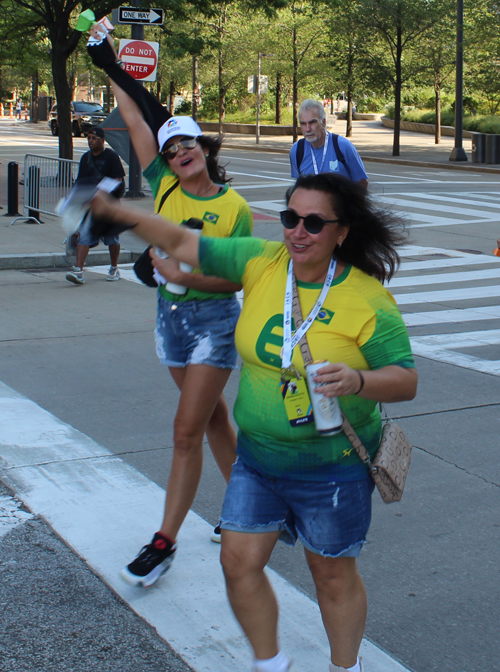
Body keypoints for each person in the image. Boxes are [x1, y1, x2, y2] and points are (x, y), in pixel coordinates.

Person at [90, 171, 418, 672]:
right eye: (290, 218)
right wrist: (118, 214)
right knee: (237, 562)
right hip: (258, 460)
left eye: (314, 222)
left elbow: (406, 379)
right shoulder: (263, 262)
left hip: (333, 468)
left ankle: (344, 667)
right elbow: (181, 240)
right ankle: (270, 664)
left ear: (342, 231)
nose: (298, 231)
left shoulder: (368, 298)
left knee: (330, 575)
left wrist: (357, 380)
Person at [87, 28, 253, 588]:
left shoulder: (234, 209)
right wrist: (103, 58)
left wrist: (186, 273)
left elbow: (235, 276)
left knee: (186, 430)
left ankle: (164, 541)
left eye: (188, 145)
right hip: (170, 323)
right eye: (171, 148)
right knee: (212, 418)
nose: (179, 153)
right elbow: (135, 116)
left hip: (213, 325)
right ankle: (249, 509)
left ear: (205, 148)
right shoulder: (161, 184)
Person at [66, 127, 125, 285]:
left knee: (111, 238)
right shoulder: (86, 158)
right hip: (91, 206)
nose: (90, 141)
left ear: (102, 140)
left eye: (94, 138)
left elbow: (118, 179)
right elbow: (80, 182)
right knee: (84, 236)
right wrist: (75, 198)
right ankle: (78, 271)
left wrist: (102, 192)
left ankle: (114, 267)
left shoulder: (111, 156)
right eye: (89, 138)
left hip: (109, 205)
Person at [290, 99, 369, 191]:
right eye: (303, 124)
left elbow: (362, 182)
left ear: (323, 122)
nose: (307, 129)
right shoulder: (297, 150)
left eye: (312, 123)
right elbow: (299, 186)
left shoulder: (343, 146)